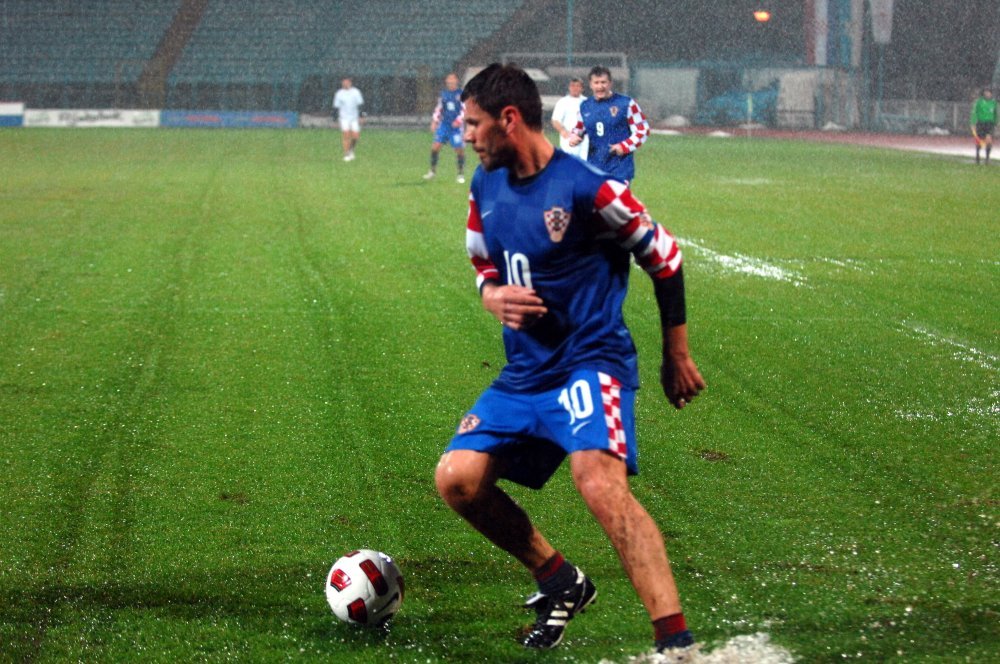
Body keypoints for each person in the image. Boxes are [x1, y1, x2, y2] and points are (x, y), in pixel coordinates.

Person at [434, 63, 705, 655]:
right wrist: (491, 294)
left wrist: (675, 354)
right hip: (526, 371)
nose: (466, 135)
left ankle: (676, 644)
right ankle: (559, 580)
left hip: (590, 360)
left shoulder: (588, 188)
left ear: (509, 120)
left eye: (474, 124)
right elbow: (481, 258)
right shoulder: (485, 184)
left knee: (598, 483)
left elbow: (664, 256)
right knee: (457, 480)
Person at [569, 65, 650, 182]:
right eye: (596, 83)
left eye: (603, 82)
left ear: (610, 83)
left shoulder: (626, 103)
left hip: (619, 169)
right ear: (590, 84)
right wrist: (574, 136)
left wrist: (624, 146)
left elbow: (642, 130)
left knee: (616, 195)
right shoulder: (585, 106)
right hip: (594, 168)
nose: (600, 86)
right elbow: (579, 128)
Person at [423, 73, 467, 183]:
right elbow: (439, 108)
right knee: (435, 147)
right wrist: (435, 121)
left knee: (459, 150)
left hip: (456, 128)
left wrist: (458, 120)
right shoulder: (444, 94)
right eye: (448, 80)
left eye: (452, 80)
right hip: (444, 125)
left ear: (456, 81)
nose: (450, 82)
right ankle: (432, 171)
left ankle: (460, 174)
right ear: (446, 82)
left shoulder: (461, 94)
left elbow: (464, 110)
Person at [550, 77, 589, 159]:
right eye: (573, 86)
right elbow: (555, 120)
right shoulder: (563, 102)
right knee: (569, 162)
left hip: (585, 139)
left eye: (577, 86)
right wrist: (562, 131)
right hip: (569, 138)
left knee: (584, 163)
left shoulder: (587, 102)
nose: (575, 88)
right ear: (569, 87)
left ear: (582, 88)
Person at [333, 77, 364, 162]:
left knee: (355, 136)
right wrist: (335, 119)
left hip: (354, 117)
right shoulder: (339, 93)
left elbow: (360, 104)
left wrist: (361, 116)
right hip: (344, 118)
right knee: (346, 135)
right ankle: (346, 154)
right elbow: (336, 107)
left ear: (350, 83)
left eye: (346, 82)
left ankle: (351, 150)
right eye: (343, 82)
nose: (345, 84)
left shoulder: (356, 92)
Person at [970, 87, 997, 165]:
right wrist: (973, 122)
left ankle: (987, 158)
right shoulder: (979, 102)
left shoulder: (994, 102)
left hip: (990, 124)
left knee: (989, 139)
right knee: (979, 141)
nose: (987, 94)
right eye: (986, 92)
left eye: (989, 92)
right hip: (981, 123)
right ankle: (977, 155)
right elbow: (974, 113)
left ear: (991, 94)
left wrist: (997, 123)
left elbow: (996, 114)